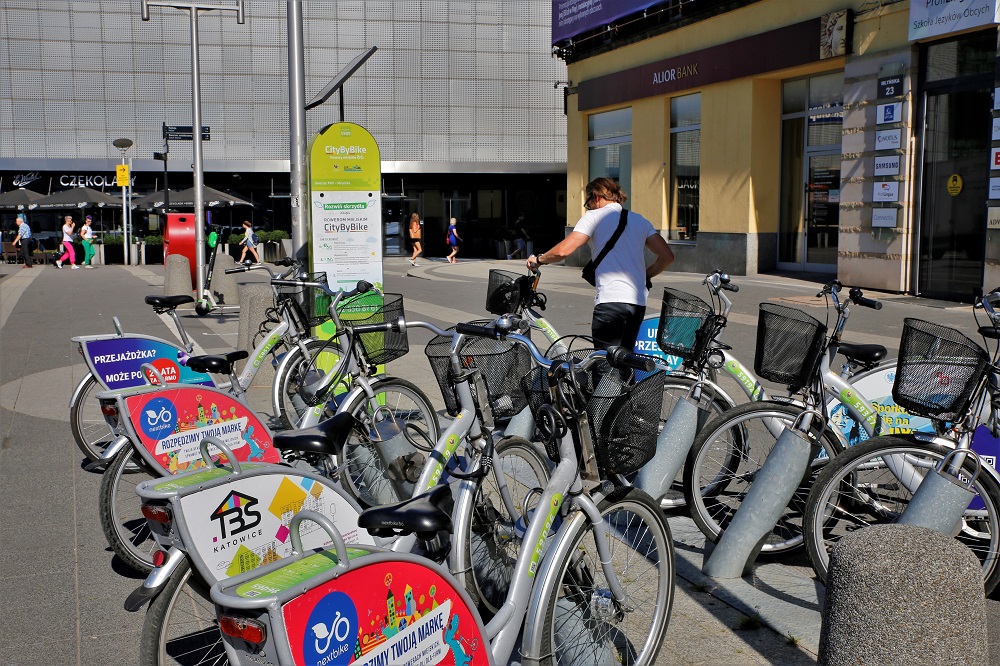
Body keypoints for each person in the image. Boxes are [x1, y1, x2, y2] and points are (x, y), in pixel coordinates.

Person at [527, 177, 674, 350]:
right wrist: (645, 275)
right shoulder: (639, 220)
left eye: (588, 201)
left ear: (596, 196)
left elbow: (563, 251)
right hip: (637, 303)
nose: (588, 206)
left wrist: (538, 260)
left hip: (610, 302)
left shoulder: (594, 217)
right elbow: (667, 257)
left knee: (605, 366)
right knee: (624, 363)